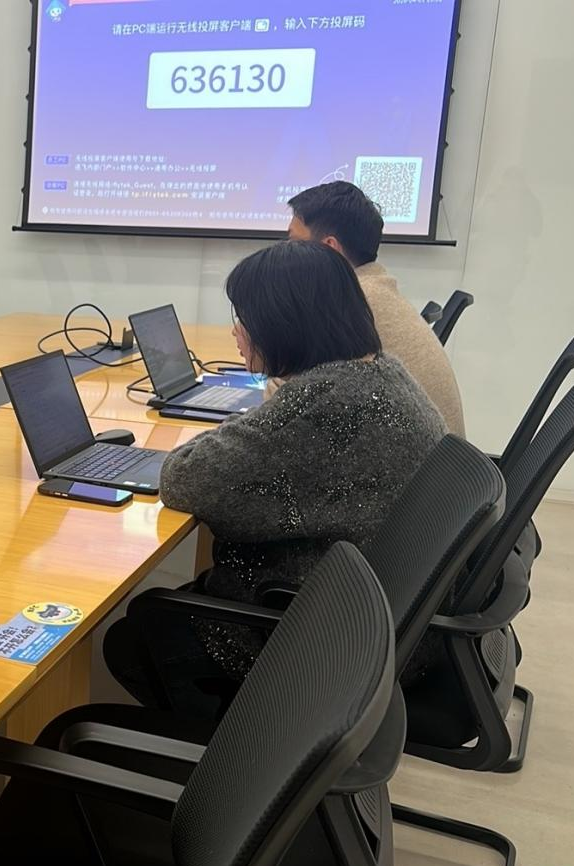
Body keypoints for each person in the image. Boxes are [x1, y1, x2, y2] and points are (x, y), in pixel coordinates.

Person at [103, 240, 446, 720]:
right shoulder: (382, 372)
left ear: (283, 324)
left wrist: (252, 423)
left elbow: (182, 480)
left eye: (245, 319)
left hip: (323, 641)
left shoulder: (320, 405)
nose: (237, 332)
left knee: (132, 637)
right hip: (385, 616)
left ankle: (244, 747)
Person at [286, 180, 465, 435]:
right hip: (434, 454)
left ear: (329, 249)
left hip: (407, 457)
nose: (284, 253)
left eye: (293, 243)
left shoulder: (348, 304)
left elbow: (284, 402)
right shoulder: (375, 290)